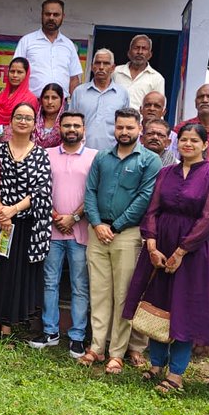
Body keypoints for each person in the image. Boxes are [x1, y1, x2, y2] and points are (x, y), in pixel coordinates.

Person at [122, 123, 209, 394]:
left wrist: (182, 251)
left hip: (194, 252)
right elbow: (152, 209)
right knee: (159, 303)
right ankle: (156, 364)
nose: (188, 144)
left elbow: (208, 219)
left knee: (184, 309)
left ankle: (176, 374)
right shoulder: (165, 173)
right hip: (160, 245)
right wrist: (153, 244)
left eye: (194, 140)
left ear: (205, 145)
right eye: (183, 140)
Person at [79, 108, 161, 373]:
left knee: (124, 295)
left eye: (129, 127)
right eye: (119, 127)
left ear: (139, 128)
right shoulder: (102, 157)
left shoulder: (150, 161)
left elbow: (144, 198)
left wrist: (114, 226)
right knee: (99, 293)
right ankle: (96, 348)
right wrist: (97, 223)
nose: (124, 132)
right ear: (114, 128)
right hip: (98, 232)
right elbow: (90, 191)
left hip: (126, 235)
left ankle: (117, 352)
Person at [0, 103, 53, 337]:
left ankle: (8, 325)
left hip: (24, 225)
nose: (23, 121)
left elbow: (42, 190)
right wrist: (2, 210)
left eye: (28, 118)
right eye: (19, 117)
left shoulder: (41, 154)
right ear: (10, 121)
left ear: (34, 124)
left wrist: (13, 210)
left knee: (15, 275)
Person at [33, 112, 96, 357]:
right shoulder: (47, 155)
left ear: (84, 129)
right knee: (50, 282)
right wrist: (56, 216)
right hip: (52, 231)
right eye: (67, 125)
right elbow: (39, 188)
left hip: (80, 232)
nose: (71, 129)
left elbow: (94, 192)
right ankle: (50, 331)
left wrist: (74, 217)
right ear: (60, 128)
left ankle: (78, 336)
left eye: (76, 125)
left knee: (80, 285)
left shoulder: (94, 157)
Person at [13, 0, 82, 97]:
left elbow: (74, 79)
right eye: (48, 14)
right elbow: (16, 73)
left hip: (62, 105)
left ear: (63, 16)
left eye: (56, 14)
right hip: (31, 104)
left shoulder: (69, 45)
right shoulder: (27, 41)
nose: (51, 18)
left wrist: (74, 106)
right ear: (42, 15)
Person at [73, 49, 129, 151]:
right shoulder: (79, 91)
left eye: (106, 63)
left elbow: (125, 125)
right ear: (92, 67)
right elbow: (71, 122)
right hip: (81, 152)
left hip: (112, 154)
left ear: (113, 68)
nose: (101, 67)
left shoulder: (122, 94)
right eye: (98, 63)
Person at [113, 35, 164, 109]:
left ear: (150, 55)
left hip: (140, 120)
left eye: (144, 49)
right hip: (116, 119)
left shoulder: (157, 78)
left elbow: (158, 107)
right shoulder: (116, 72)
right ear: (129, 53)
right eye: (136, 48)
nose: (140, 52)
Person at [0, 57, 38, 127]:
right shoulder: (1, 96)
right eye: (12, 71)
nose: (15, 75)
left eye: (19, 72)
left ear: (26, 74)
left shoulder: (31, 99)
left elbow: (29, 125)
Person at [140, 91, 176, 157]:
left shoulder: (173, 137)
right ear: (141, 110)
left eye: (157, 106)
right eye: (148, 105)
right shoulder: (132, 133)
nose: (151, 109)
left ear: (164, 112)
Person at [35, 83, 64, 148]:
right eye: (46, 97)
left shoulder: (66, 123)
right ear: (41, 100)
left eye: (54, 98)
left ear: (61, 101)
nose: (49, 102)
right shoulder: (33, 121)